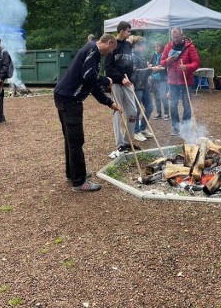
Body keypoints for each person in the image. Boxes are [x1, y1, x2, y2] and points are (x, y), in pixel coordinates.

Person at [54, 34, 121, 192]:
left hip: (63, 96)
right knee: (76, 140)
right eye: (112, 49)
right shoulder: (93, 50)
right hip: (70, 99)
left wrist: (109, 102)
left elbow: (91, 84)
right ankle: (79, 182)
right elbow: (89, 77)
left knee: (70, 139)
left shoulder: (92, 51)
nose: (111, 53)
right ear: (109, 42)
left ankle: (73, 173)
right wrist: (106, 80)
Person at [160, 27, 200, 137]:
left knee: (187, 105)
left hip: (186, 80)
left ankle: (186, 128)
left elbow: (196, 63)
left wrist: (187, 67)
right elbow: (162, 62)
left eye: (177, 36)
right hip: (172, 81)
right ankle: (176, 128)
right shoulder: (168, 46)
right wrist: (167, 61)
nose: (175, 39)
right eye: (173, 36)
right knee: (173, 105)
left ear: (182, 35)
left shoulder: (189, 47)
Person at [105, 21, 136, 151]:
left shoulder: (128, 45)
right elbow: (108, 68)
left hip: (127, 83)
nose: (130, 33)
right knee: (118, 111)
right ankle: (120, 144)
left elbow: (130, 64)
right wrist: (121, 78)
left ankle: (128, 140)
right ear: (122, 31)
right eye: (128, 31)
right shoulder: (113, 45)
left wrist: (130, 78)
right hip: (116, 84)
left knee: (133, 112)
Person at [130, 36, 163, 141]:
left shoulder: (141, 56)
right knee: (137, 110)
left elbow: (145, 70)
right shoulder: (132, 56)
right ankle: (136, 131)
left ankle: (143, 128)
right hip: (137, 86)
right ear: (135, 46)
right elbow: (134, 71)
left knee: (149, 108)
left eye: (144, 45)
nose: (144, 47)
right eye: (142, 45)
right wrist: (150, 69)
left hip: (145, 86)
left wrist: (153, 69)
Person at [149, 42, 169, 120]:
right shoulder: (153, 55)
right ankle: (159, 113)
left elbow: (166, 65)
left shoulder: (164, 55)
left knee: (163, 96)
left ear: (161, 47)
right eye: (155, 47)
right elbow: (150, 64)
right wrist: (151, 66)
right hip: (154, 79)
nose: (156, 48)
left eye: (158, 47)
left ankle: (167, 113)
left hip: (162, 79)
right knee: (157, 97)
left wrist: (159, 67)